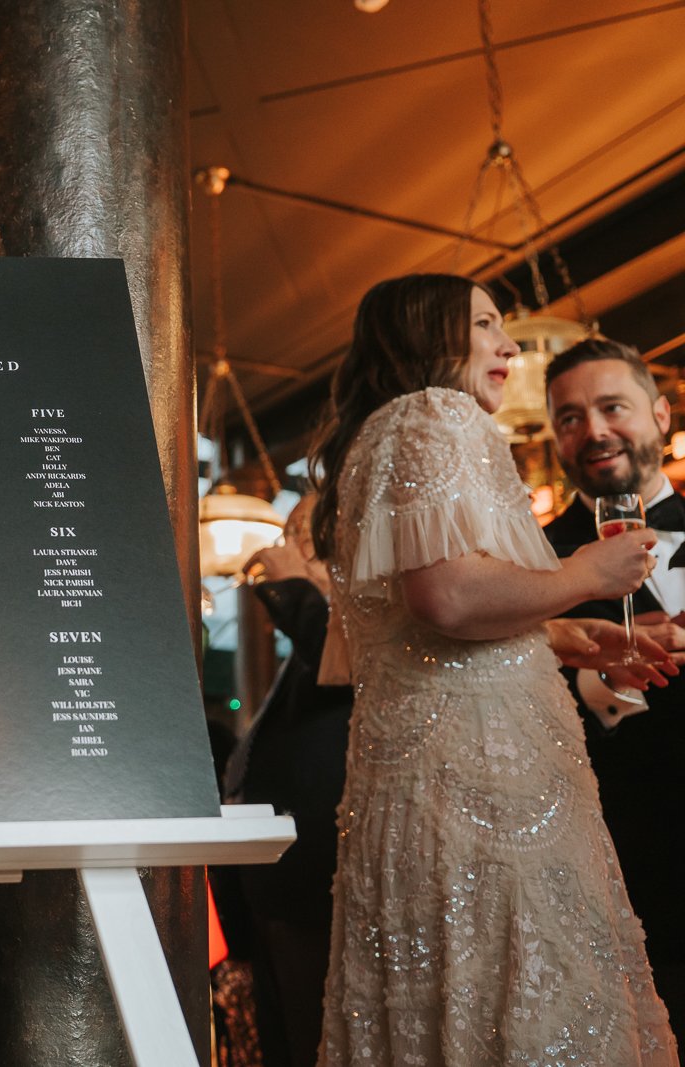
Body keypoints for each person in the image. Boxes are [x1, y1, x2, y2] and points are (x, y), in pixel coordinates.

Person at [309, 273, 677, 1064]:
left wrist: (572, 637)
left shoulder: (375, 438)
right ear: (426, 337)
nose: (509, 345)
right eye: (484, 324)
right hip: (484, 791)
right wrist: (586, 575)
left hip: (420, 784)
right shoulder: (435, 414)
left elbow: (412, 627)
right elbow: (446, 596)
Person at [542, 336, 685, 1032]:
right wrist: (603, 672)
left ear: (660, 415)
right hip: (632, 867)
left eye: (611, 407)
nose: (593, 430)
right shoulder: (532, 559)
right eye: (570, 417)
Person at [220, 494, 352, 1067]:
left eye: (308, 540)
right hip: (280, 896)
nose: (290, 551)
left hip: (318, 892)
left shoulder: (351, 636)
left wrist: (296, 586)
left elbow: (339, 667)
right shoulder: (306, 650)